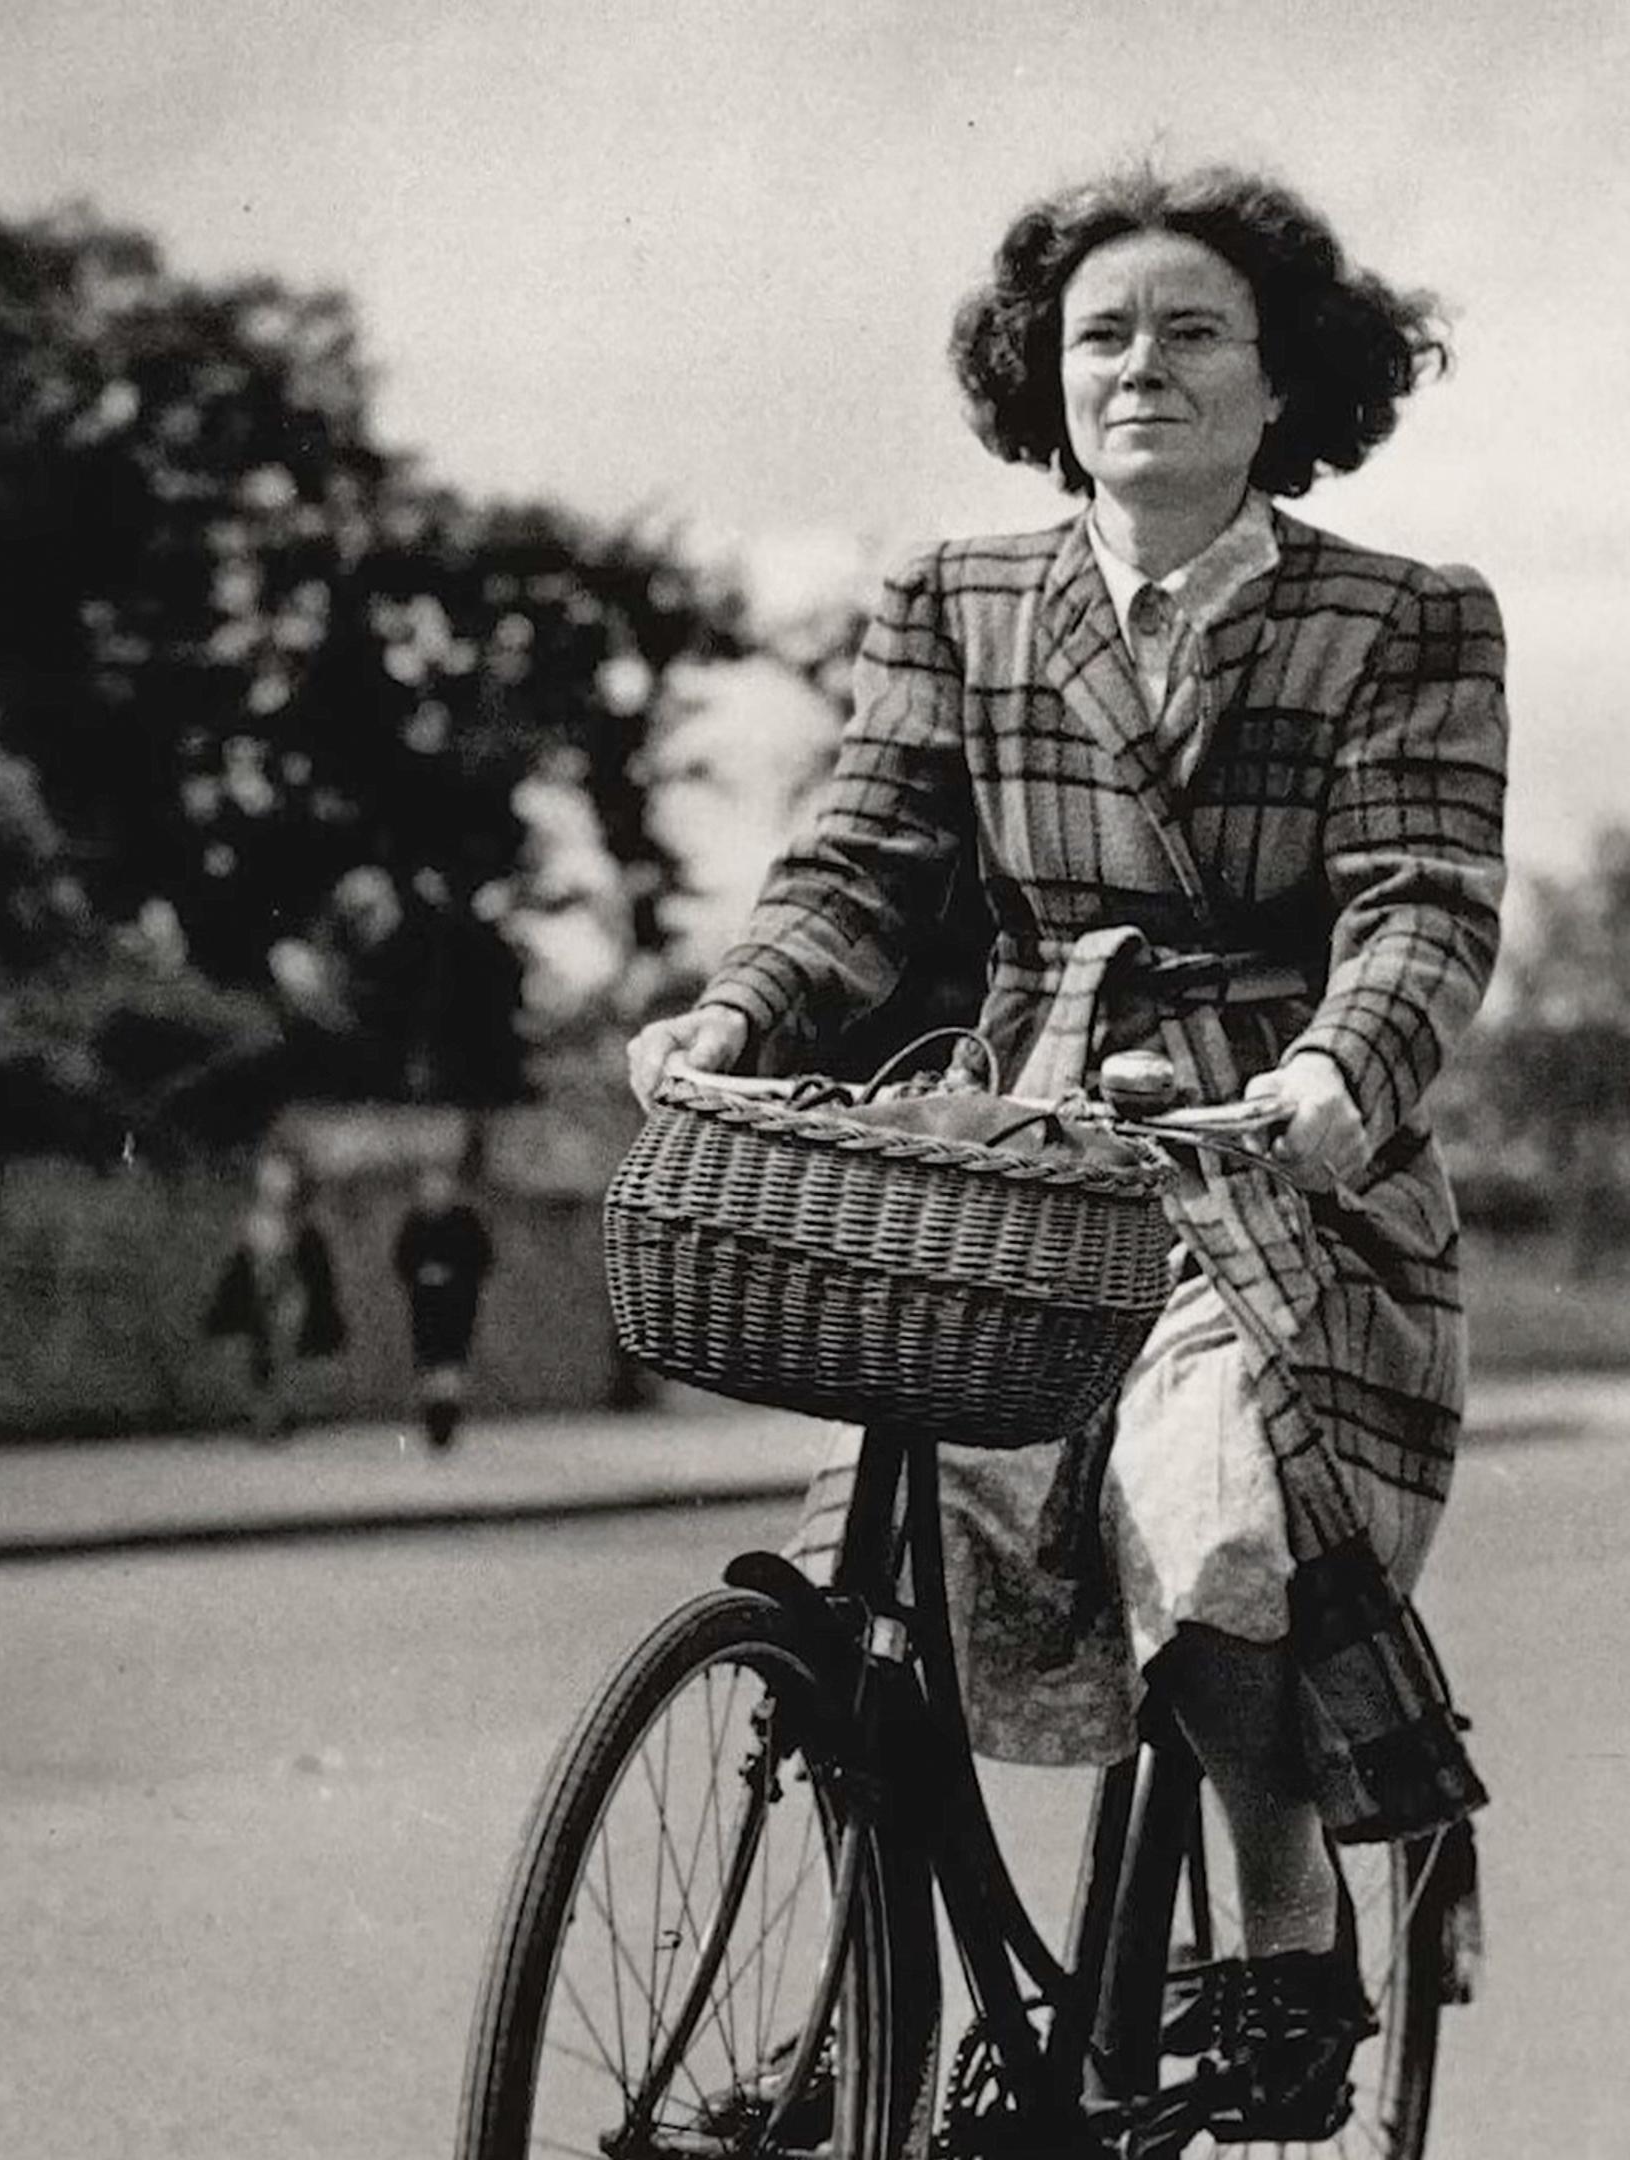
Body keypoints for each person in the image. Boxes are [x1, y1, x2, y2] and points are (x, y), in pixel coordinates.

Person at [626, 161, 1504, 2135]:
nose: (1141, 368)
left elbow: (1421, 906)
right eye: (1102, 334)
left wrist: (1334, 1077)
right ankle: (860, 2006)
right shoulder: (962, 600)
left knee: (1208, 1520)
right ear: (1047, 371)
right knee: (886, 1554)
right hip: (1020, 1162)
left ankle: (1281, 1920)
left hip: (1275, 1173)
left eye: (1194, 332)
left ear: (1284, 377)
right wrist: (736, 1012)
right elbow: (862, 865)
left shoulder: (1402, 619)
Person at [204, 1145, 343, 1440]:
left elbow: (315, 1270)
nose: (276, 1184)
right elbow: (234, 1267)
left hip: (289, 1298)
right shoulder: (248, 1222)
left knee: (284, 1347)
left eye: (282, 1177)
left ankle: (279, 1411)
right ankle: (263, 1413)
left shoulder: (301, 1224)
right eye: (270, 1175)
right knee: (256, 1352)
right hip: (255, 1298)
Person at [392, 1157, 496, 1451]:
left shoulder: (465, 1222)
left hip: (457, 1304)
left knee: (451, 1362)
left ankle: (447, 1421)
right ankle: (433, 1421)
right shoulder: (415, 1223)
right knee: (429, 1362)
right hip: (425, 1304)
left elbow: (483, 1258)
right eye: (428, 1185)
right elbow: (402, 1260)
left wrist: (455, 1276)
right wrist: (422, 1274)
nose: (434, 1190)